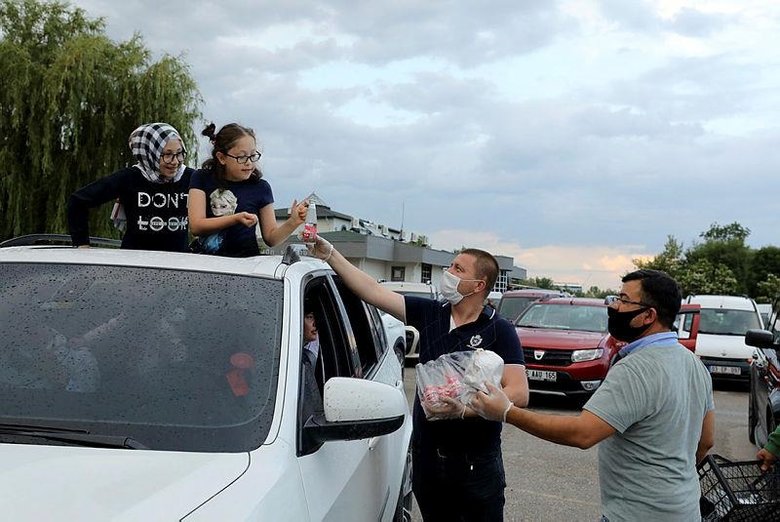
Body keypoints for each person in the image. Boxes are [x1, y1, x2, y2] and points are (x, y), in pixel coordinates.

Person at [307, 236, 529, 521]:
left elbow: (519, 393)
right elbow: (372, 291)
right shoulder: (431, 313)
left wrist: (468, 408)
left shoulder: (499, 330)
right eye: (450, 265)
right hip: (429, 460)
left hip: (475, 466)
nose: (448, 273)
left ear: (479, 285)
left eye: (458, 269)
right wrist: (331, 255)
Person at [470, 269, 715, 522]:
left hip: (638, 513)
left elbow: (583, 433)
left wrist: (507, 412)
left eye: (623, 300)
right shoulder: (694, 364)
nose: (614, 306)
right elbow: (706, 440)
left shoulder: (636, 368)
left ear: (648, 315)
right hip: (685, 509)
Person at [68, 122, 194, 252]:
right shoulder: (130, 178)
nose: (175, 161)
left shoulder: (191, 178)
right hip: (134, 265)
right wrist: (82, 245)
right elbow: (78, 201)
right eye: (167, 155)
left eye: (179, 153)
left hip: (178, 266)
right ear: (150, 153)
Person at [188, 122, 308, 256]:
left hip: (245, 265)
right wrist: (235, 218)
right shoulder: (201, 178)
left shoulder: (261, 187)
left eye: (252, 156)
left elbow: (271, 238)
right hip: (207, 265)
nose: (249, 163)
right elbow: (196, 226)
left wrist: (293, 222)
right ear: (222, 158)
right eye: (242, 157)